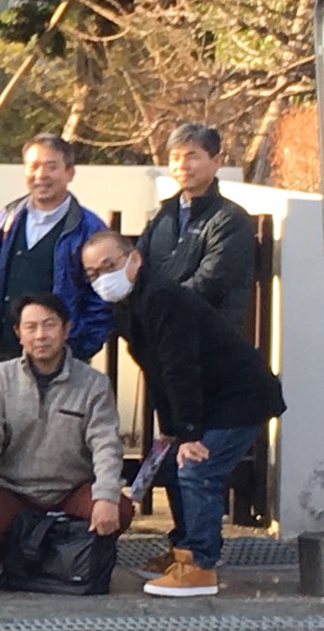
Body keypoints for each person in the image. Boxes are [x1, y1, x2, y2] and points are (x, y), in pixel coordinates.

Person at [81, 230, 286, 597]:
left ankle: (200, 565)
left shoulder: (161, 297)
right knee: (174, 466)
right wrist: (172, 430)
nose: (102, 278)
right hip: (206, 399)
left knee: (196, 468)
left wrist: (189, 434)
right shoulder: (126, 304)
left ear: (135, 259)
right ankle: (182, 551)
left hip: (239, 397)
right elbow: (156, 370)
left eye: (109, 266)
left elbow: (180, 366)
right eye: (93, 273)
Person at [0, 293, 133, 562]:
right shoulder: (1, 378)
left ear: (66, 329)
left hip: (73, 489)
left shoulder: (93, 383)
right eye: (31, 327)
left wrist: (106, 495)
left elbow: (106, 444)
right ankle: (37, 564)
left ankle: (61, 562)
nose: (40, 335)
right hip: (16, 491)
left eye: (49, 325)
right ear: (19, 333)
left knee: (119, 509)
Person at [0, 133, 111, 377]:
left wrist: (79, 344)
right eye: (33, 166)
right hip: (3, 353)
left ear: (70, 172)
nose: (41, 175)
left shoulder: (89, 228)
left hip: (62, 359)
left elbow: (101, 296)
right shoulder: (8, 218)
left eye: (51, 166)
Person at [135, 123, 256, 333]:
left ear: (216, 161)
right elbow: (138, 266)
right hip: (159, 334)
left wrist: (157, 305)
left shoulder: (230, 220)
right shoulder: (161, 215)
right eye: (175, 157)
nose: (182, 165)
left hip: (209, 336)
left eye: (192, 157)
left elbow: (209, 283)